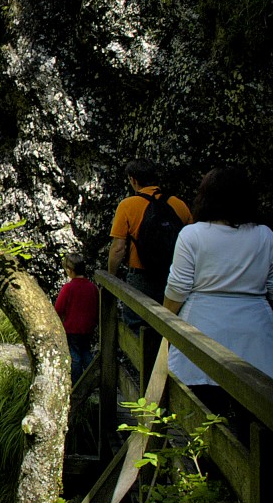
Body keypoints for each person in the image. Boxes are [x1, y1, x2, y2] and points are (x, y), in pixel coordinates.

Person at [163, 167, 273, 410]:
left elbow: (178, 289)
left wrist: (164, 322)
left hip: (202, 327)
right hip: (255, 331)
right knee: (255, 417)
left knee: (204, 414)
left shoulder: (192, 235)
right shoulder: (265, 235)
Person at [107, 159, 193, 327]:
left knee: (136, 326)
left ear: (133, 180)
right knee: (169, 326)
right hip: (171, 276)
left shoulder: (127, 205)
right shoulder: (178, 204)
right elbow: (192, 243)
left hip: (141, 276)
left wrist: (112, 276)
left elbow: (118, 248)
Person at [56, 253, 99, 384]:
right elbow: (97, 306)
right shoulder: (92, 287)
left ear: (69, 271)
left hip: (71, 328)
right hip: (88, 328)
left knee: (74, 357)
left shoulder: (68, 288)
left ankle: (77, 384)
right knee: (86, 352)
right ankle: (93, 378)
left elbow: (58, 308)